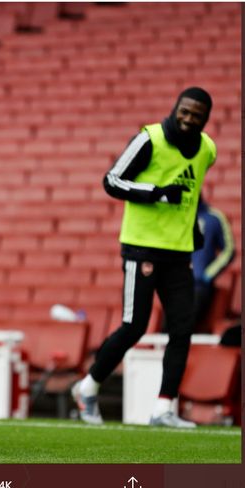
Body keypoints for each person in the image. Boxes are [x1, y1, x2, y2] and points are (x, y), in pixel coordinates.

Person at [72, 87, 217, 428]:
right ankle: (88, 387)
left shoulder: (207, 149)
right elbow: (111, 181)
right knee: (135, 326)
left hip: (179, 251)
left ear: (205, 120)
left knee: (182, 329)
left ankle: (163, 409)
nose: (188, 118)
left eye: (196, 115)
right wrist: (156, 194)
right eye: (184, 111)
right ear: (175, 108)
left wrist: (192, 228)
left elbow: (192, 192)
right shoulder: (150, 139)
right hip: (142, 247)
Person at [192, 197, 234, 327]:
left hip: (199, 285)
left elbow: (229, 250)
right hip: (176, 285)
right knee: (167, 329)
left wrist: (208, 274)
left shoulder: (214, 217)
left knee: (184, 326)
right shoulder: (176, 216)